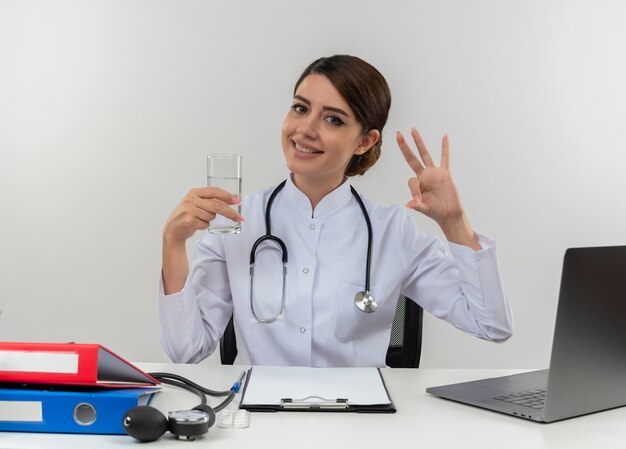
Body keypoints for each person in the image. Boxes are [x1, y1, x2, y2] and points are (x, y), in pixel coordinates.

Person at [159, 55, 513, 367]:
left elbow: (490, 325)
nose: (306, 129)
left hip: (360, 422)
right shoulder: (237, 220)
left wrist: (455, 224)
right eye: (300, 108)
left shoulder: (392, 230)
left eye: (333, 120)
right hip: (264, 420)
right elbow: (187, 350)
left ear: (365, 141)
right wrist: (173, 243)